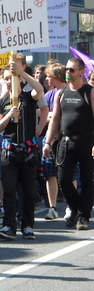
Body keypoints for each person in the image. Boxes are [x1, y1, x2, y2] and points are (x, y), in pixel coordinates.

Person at [0, 58, 46, 240]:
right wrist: (9, 114)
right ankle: (9, 226)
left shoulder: (29, 97)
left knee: (29, 191)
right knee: (9, 191)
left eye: (12, 78)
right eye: (6, 79)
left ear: (20, 79)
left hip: (28, 152)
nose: (9, 81)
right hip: (9, 152)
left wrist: (21, 72)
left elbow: (39, 89)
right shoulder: (2, 102)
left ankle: (28, 226)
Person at [43, 57, 94, 231]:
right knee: (64, 180)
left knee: (87, 181)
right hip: (66, 142)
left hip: (86, 142)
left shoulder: (89, 92)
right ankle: (76, 208)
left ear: (81, 72)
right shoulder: (61, 93)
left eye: (72, 70)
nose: (68, 72)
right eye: (66, 69)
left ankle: (83, 216)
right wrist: (48, 142)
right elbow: (55, 120)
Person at [41, 63, 66, 220]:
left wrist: (51, 115)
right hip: (50, 138)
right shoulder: (49, 95)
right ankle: (52, 207)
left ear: (57, 77)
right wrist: (51, 116)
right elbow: (41, 113)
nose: (47, 79)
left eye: (49, 76)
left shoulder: (69, 92)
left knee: (69, 174)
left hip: (66, 138)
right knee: (50, 174)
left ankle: (71, 206)